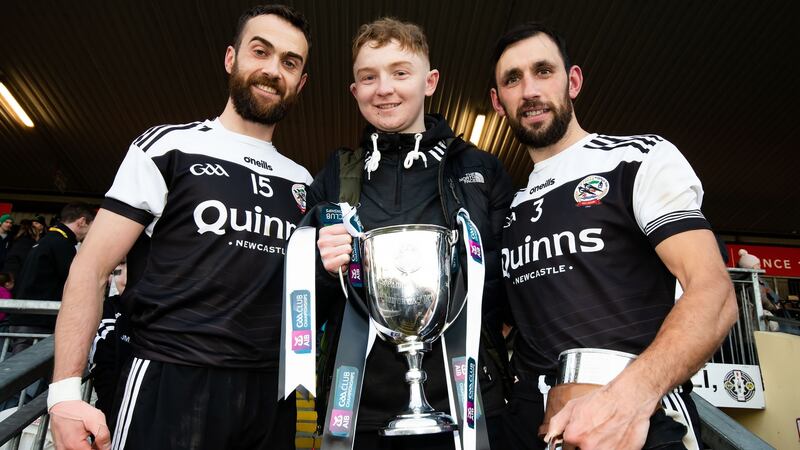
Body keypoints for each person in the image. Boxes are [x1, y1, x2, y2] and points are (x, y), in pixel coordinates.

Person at [47, 5, 313, 450]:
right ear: (231, 58)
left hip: (271, 393)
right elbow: (90, 269)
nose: (272, 70)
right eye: (260, 52)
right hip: (169, 380)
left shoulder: (304, 181)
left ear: (300, 83)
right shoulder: (169, 145)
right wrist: (63, 394)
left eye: (289, 62)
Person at [489, 23, 738, 450]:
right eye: (513, 79)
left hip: (636, 424)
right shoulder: (507, 208)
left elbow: (714, 293)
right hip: (533, 426)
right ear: (498, 102)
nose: (529, 90)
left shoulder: (638, 159)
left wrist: (626, 401)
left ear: (573, 81)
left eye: (543, 71)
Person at [310, 17, 513, 450]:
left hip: (469, 408)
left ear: (430, 81)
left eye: (400, 72)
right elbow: (307, 299)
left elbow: (509, 285)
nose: (384, 89)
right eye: (369, 77)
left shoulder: (480, 169)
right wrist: (322, 266)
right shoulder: (335, 175)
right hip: (359, 412)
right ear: (355, 91)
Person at [8, 203, 95, 354]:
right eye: (90, 227)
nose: (89, 233)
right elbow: (75, 281)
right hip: (37, 323)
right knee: (29, 374)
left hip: (24, 319)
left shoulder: (46, 240)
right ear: (81, 222)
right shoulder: (62, 244)